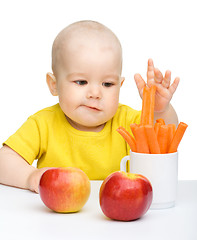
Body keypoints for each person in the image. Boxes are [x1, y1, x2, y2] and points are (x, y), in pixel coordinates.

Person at [0, 20, 180, 193]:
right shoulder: (42, 124)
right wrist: (30, 177)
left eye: (107, 84)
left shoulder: (128, 122)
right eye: (81, 81)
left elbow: (163, 137)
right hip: (56, 219)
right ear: (54, 84)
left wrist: (159, 110)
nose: (95, 93)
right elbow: (4, 161)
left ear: (120, 86)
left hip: (120, 216)